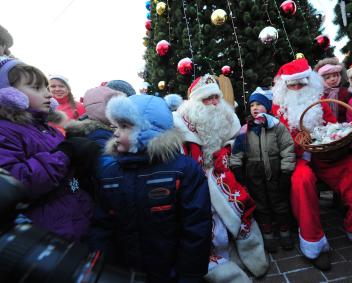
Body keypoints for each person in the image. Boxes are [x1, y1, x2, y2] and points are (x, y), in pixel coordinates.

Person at [271, 58, 352, 272]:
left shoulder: (317, 98)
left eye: (301, 83)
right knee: (302, 181)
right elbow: (277, 141)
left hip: (327, 155)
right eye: (292, 84)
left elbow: (332, 125)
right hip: (297, 158)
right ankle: (313, 244)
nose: (296, 88)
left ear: (309, 82)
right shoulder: (278, 107)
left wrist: (344, 132)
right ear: (284, 86)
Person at [90, 94, 212, 283]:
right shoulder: (110, 173)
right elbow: (102, 224)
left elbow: (196, 226)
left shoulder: (182, 170)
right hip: (126, 271)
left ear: (147, 130)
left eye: (124, 126)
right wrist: (101, 265)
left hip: (171, 272)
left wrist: (190, 274)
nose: (115, 133)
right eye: (115, 126)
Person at [173, 74, 269, 282]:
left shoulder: (228, 118)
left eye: (216, 97)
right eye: (207, 99)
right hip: (196, 178)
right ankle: (220, 259)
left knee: (238, 205)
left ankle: (248, 251)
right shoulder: (182, 123)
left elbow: (234, 142)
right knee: (207, 215)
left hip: (224, 172)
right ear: (196, 102)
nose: (214, 103)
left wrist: (227, 153)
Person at [0, 56, 99, 241]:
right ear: (8, 94)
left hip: (76, 218)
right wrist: (65, 154)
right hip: (49, 231)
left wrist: (80, 160)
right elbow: (15, 182)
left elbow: (66, 175)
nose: (49, 95)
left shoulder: (43, 127)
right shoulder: (4, 131)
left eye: (46, 87)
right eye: (36, 88)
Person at [230, 87, 296, 253]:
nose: (255, 107)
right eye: (252, 105)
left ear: (267, 106)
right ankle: (267, 234)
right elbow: (237, 151)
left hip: (275, 170)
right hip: (254, 172)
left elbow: (287, 147)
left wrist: (286, 171)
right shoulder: (246, 129)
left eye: (259, 104)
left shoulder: (277, 126)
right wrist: (237, 168)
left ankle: (284, 231)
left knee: (279, 201)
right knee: (260, 203)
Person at [314, 57, 350, 122]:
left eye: (334, 75)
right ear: (322, 80)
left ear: (339, 76)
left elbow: (350, 110)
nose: (332, 79)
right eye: (328, 78)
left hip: (345, 124)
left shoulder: (345, 92)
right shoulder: (320, 95)